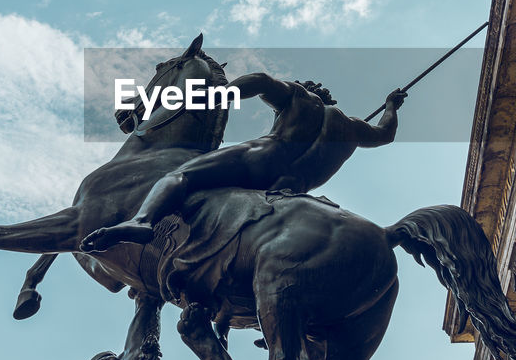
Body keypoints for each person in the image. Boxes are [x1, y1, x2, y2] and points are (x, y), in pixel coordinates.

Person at [82, 74, 406, 251]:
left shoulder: (298, 98)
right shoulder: (350, 128)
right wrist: (391, 105)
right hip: (291, 189)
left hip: (261, 160)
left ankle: (141, 222)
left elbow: (262, 81)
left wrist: (223, 95)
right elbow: (385, 133)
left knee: (179, 177)